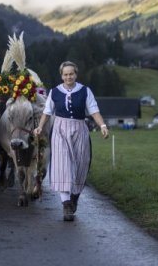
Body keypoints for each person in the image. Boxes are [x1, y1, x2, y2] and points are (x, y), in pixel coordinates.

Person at [33, 61, 109, 221]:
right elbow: (47, 112)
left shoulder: (85, 91)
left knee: (81, 165)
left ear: (76, 74)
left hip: (80, 129)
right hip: (60, 128)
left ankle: (74, 196)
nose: (68, 77)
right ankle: (66, 204)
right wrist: (40, 127)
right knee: (63, 164)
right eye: (65, 74)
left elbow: (94, 110)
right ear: (61, 76)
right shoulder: (54, 92)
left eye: (71, 74)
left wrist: (102, 125)